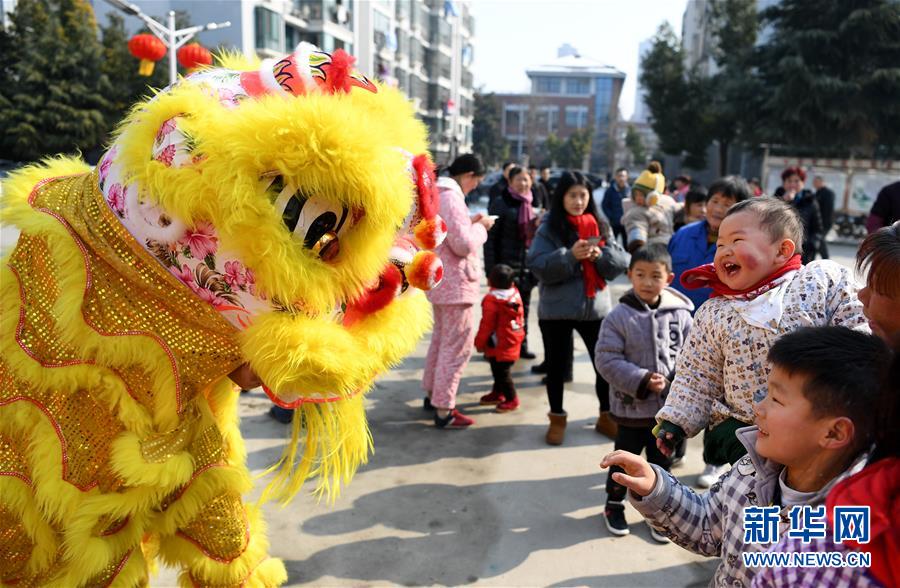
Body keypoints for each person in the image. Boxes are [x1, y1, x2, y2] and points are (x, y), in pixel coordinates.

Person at [602, 326, 891, 588]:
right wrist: (656, 488)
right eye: (765, 393)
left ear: (834, 433)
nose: (758, 408)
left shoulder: (851, 531)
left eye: (776, 399)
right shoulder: (750, 470)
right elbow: (707, 526)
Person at [655, 198, 867, 466]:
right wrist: (675, 419)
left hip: (817, 426)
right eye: (720, 245)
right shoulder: (714, 312)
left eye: (736, 241)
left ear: (782, 251)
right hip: (746, 436)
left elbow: (859, 329)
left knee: (810, 498)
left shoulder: (820, 281)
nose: (724, 251)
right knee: (754, 501)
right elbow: (697, 373)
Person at [595, 244, 693, 541]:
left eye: (655, 275)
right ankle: (613, 504)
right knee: (624, 460)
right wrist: (641, 379)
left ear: (669, 278)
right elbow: (606, 358)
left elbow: (694, 358)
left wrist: (673, 382)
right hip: (630, 409)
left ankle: (658, 511)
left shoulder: (682, 315)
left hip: (668, 411)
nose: (648, 282)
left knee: (661, 463)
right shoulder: (618, 316)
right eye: (640, 275)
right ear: (629, 276)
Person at [526, 171, 629, 445]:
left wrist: (600, 256)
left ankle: (606, 416)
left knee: (603, 367)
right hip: (556, 310)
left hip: (594, 308)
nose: (578, 201)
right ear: (562, 197)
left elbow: (621, 261)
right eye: (572, 195)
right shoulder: (549, 227)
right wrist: (569, 256)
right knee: (557, 368)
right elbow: (537, 265)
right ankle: (557, 418)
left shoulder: (599, 224)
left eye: (583, 195)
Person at [667, 176, 751, 486]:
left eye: (726, 204)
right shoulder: (684, 234)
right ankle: (675, 446)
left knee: (718, 397)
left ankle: (712, 462)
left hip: (721, 334)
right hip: (679, 327)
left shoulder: (744, 247)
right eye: (714, 201)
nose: (717, 208)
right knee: (681, 387)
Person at [423, 153, 494, 429]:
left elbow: (453, 233)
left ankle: (434, 396)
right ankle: (445, 409)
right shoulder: (451, 196)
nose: (476, 186)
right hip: (457, 284)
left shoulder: (439, 192)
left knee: (442, 342)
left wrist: (471, 223)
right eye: (477, 181)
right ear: (468, 176)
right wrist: (482, 228)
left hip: (442, 281)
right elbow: (463, 244)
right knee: (456, 349)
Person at [485, 165, 539, 359]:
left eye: (526, 179)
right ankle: (493, 347)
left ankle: (521, 347)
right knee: (500, 311)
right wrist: (491, 269)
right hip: (504, 268)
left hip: (526, 267)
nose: (523, 183)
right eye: (519, 180)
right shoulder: (501, 203)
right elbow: (490, 239)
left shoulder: (533, 204)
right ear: (510, 182)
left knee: (522, 309)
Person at [474, 264, 526, 413]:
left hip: (499, 344)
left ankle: (512, 399)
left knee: (502, 373)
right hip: (512, 340)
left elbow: (486, 325)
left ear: (490, 282)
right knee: (499, 371)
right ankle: (498, 393)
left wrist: (479, 343)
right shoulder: (515, 294)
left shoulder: (492, 300)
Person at [621, 161, 680, 253]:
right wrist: (638, 244)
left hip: (671, 248)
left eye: (642, 195)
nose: (638, 198)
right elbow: (637, 227)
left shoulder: (667, 202)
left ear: (653, 196)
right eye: (635, 194)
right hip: (652, 251)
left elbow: (678, 210)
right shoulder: (636, 211)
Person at [774, 166, 823, 264]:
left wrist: (812, 246)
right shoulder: (776, 200)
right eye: (789, 181)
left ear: (803, 183)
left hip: (803, 253)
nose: (792, 184)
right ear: (784, 183)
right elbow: (770, 221)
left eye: (796, 181)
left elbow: (817, 229)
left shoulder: (811, 201)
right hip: (779, 251)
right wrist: (783, 202)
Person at [602, 167, 630, 248]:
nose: (621, 178)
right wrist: (611, 216)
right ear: (615, 177)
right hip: (614, 222)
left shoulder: (630, 190)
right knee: (612, 244)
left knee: (627, 245)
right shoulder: (610, 190)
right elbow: (604, 205)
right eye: (619, 176)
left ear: (627, 177)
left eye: (623, 176)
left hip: (626, 223)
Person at [812, 175, 835, 260]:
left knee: (820, 240)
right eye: (814, 182)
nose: (814, 184)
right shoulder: (817, 192)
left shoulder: (828, 193)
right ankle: (818, 258)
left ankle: (826, 259)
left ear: (822, 182)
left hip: (825, 222)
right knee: (818, 240)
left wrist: (823, 224)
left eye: (816, 182)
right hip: (817, 222)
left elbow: (828, 210)